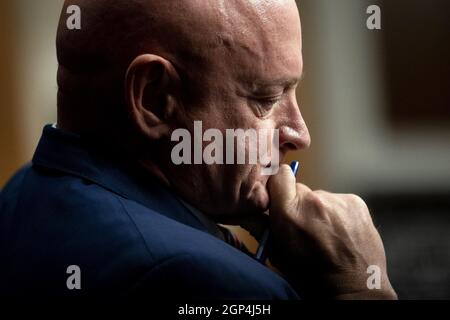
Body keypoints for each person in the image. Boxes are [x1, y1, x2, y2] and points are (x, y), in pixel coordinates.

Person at [0, 0, 396, 299]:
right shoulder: (202, 279)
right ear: (154, 99)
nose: (299, 134)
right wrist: (360, 287)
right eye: (266, 98)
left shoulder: (23, 191)